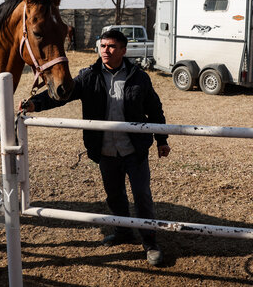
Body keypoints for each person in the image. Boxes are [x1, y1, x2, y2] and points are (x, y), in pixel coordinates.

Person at [20, 29, 171, 266]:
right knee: (115, 196)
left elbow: (154, 109)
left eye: (111, 46)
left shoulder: (139, 77)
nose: (105, 50)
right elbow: (63, 93)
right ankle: (123, 232)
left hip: (134, 150)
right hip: (105, 150)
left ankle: (150, 241)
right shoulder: (89, 76)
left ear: (123, 50)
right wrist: (34, 104)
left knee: (142, 196)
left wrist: (161, 139)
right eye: (103, 46)